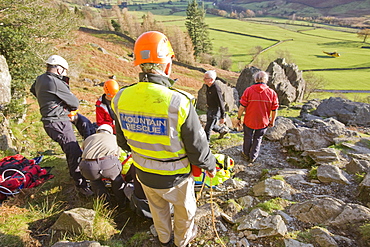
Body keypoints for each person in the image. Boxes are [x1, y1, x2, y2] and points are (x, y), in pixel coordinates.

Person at [112, 31, 216, 247]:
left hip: (144, 173)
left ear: (139, 65)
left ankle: (163, 239)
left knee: (158, 210)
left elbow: (122, 142)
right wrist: (210, 165)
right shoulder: (180, 102)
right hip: (176, 177)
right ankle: (181, 242)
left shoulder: (120, 98)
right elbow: (197, 147)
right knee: (185, 213)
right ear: (166, 65)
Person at [30, 55, 93, 196]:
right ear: (59, 69)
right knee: (74, 152)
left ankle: (77, 172)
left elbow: (33, 90)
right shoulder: (55, 82)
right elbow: (74, 103)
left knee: (69, 148)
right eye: (64, 71)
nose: (65, 74)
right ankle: (81, 185)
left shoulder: (41, 78)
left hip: (50, 122)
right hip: (58, 122)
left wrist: (48, 101)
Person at [78, 124, 127, 208]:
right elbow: (117, 155)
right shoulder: (114, 138)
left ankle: (105, 205)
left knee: (95, 182)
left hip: (88, 167)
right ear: (110, 132)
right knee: (116, 179)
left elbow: (83, 151)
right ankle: (121, 202)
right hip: (108, 165)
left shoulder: (89, 138)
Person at [236, 71, 279, 163]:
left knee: (247, 136)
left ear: (255, 79)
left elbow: (241, 107)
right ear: (266, 80)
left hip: (249, 120)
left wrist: (239, 118)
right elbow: (274, 109)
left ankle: (245, 154)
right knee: (258, 138)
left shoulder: (248, 90)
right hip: (263, 121)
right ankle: (253, 156)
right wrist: (272, 120)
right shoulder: (271, 93)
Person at [203, 70, 229, 142]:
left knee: (208, 128)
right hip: (209, 108)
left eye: (205, 78)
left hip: (215, 110)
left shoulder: (216, 89)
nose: (203, 79)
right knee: (212, 125)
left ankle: (206, 144)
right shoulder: (208, 86)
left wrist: (223, 116)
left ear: (211, 80)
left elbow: (221, 103)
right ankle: (222, 130)